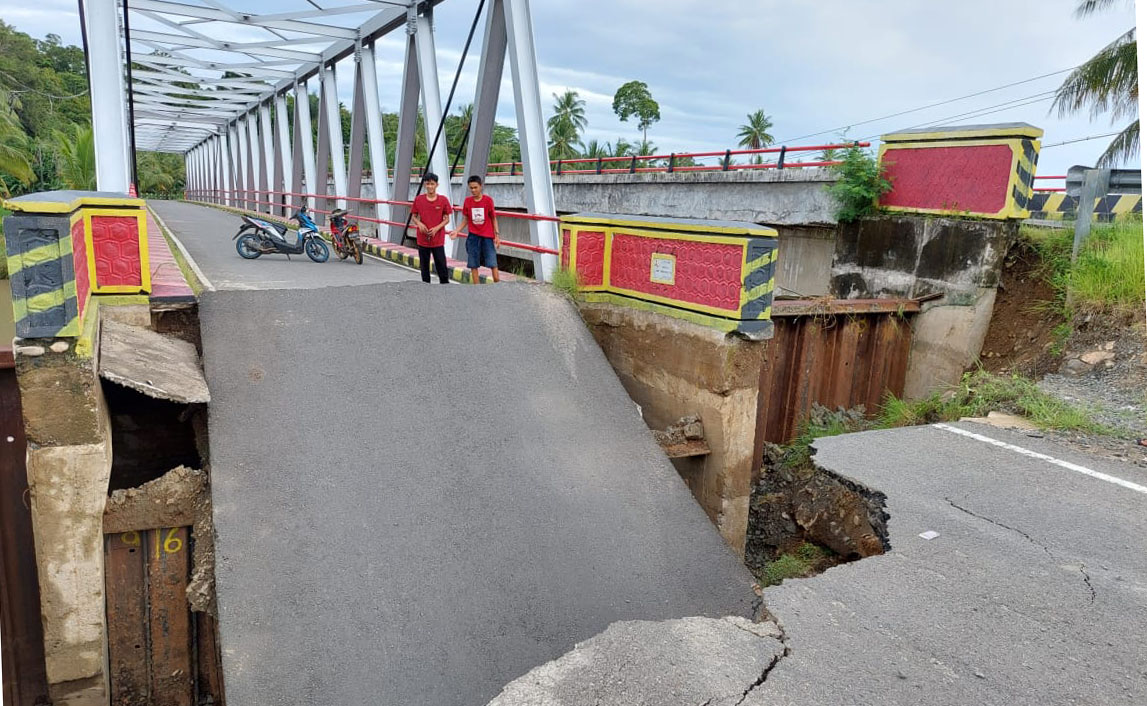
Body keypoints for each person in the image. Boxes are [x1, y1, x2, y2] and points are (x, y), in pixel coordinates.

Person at [450, 175, 500, 284]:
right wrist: (456, 231)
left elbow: (493, 218)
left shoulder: (488, 200)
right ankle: (476, 288)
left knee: (492, 262)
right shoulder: (468, 201)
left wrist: (497, 235)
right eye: (471, 188)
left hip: (487, 236)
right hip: (473, 236)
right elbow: (466, 219)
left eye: (475, 187)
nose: (473, 190)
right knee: (473, 263)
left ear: (481, 186)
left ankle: (498, 285)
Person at [410, 173, 452, 284]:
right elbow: (414, 216)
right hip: (422, 239)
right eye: (428, 184)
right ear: (425, 185)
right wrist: (419, 224)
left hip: (437, 239)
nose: (430, 186)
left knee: (441, 265)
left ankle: (445, 287)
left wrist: (436, 228)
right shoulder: (419, 200)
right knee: (424, 266)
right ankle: (426, 289)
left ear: (437, 185)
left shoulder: (443, 200)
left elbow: (447, 219)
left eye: (432, 184)